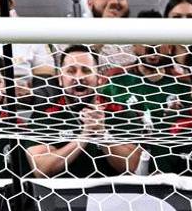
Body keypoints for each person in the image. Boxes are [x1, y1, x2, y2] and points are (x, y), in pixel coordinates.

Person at [26, 46, 143, 179]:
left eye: (86, 70)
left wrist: (102, 135)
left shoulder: (119, 111)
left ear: (99, 77)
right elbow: (42, 169)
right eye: (71, 71)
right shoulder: (45, 114)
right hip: (61, 196)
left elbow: (135, 166)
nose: (79, 77)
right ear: (60, 78)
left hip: (114, 195)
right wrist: (84, 136)